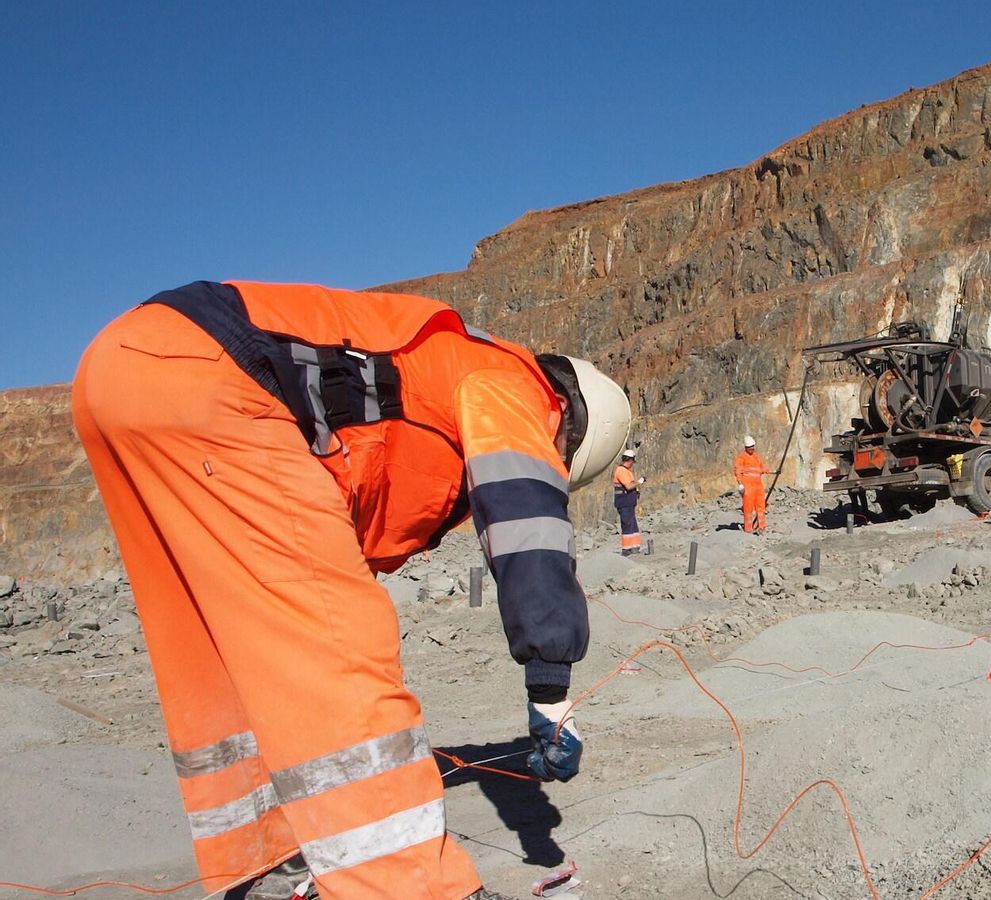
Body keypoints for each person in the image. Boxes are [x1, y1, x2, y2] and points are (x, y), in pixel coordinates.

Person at [71, 281, 632, 900]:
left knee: (221, 655)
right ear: (570, 433)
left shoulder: (441, 373)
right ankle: (413, 889)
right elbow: (528, 521)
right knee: (335, 644)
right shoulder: (517, 385)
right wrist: (551, 689)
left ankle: (267, 868)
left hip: (119, 371)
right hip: (219, 378)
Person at [733, 434, 774, 533]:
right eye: (749, 448)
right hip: (748, 487)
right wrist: (740, 483)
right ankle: (748, 528)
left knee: (761, 506)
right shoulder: (741, 457)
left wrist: (774, 471)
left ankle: (761, 526)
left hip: (758, 486)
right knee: (748, 508)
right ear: (746, 448)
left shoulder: (756, 456)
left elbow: (762, 468)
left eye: (752, 447)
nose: (752, 449)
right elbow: (738, 471)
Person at [612, 448, 645, 554]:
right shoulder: (621, 471)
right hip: (624, 503)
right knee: (627, 524)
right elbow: (629, 486)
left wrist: (636, 491)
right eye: (632, 462)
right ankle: (627, 549)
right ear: (630, 460)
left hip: (628, 502)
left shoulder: (626, 471)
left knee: (632, 524)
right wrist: (639, 482)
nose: (632, 464)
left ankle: (634, 547)